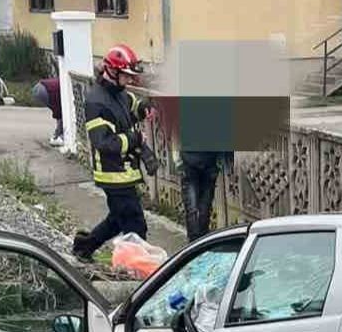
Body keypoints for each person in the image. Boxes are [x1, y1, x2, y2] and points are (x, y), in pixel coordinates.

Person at [72, 44, 161, 262]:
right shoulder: (96, 102)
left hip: (126, 172)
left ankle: (85, 246)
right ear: (112, 71)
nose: (129, 80)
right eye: (126, 76)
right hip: (112, 174)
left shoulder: (120, 93)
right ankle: (138, 269)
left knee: (118, 219)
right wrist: (135, 139)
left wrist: (144, 109)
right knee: (135, 224)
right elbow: (104, 143)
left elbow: (133, 105)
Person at [179, 149, 234, 242]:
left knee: (203, 209)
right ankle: (195, 244)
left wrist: (219, 162)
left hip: (208, 165)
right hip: (190, 166)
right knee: (194, 209)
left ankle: (201, 243)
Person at [31, 77, 64, 146]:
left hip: (39, 85)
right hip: (47, 91)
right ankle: (59, 134)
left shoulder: (65, 81)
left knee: (57, 110)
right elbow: (59, 112)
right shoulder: (67, 89)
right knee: (58, 110)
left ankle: (58, 133)